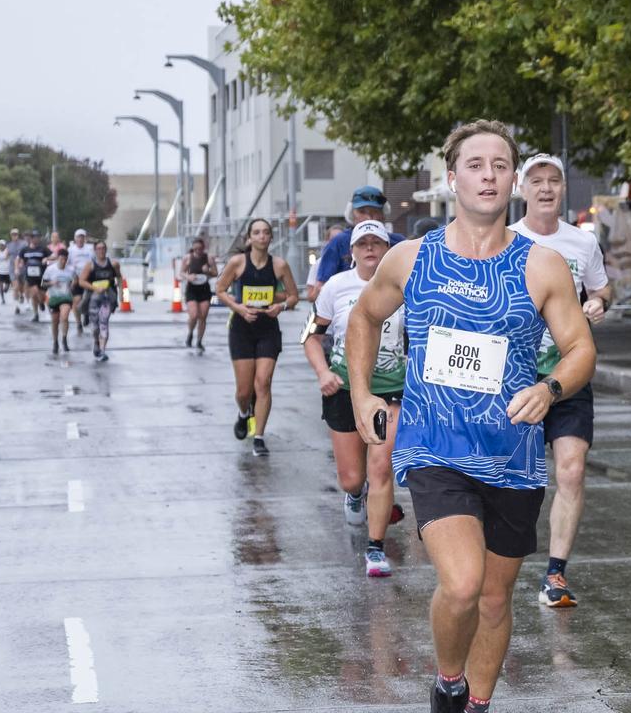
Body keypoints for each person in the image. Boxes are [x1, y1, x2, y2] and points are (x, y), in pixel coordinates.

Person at [345, 120, 595, 713]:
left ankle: (476, 703)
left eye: (499, 165)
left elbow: (581, 348)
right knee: (461, 585)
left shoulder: (542, 266)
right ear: (451, 176)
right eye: (475, 165)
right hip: (434, 448)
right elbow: (362, 319)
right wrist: (362, 395)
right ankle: (448, 684)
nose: (488, 175)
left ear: (513, 179)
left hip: (511, 456)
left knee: (494, 598)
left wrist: (551, 387)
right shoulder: (411, 258)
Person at [510, 152, 613, 608]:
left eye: (554, 180)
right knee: (515, 479)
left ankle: (556, 576)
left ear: (562, 188)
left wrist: (598, 303)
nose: (546, 188)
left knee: (571, 469)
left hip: (568, 373)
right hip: (513, 377)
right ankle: (500, 562)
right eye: (537, 181)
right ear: (522, 188)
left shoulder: (582, 243)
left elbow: (602, 286)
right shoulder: (507, 240)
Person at [305, 220, 407, 577]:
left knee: (381, 467)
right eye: (362, 243)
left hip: (391, 388)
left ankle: (375, 549)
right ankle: (353, 494)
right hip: (346, 388)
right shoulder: (336, 287)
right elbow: (311, 337)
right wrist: (323, 373)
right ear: (351, 251)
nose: (369, 249)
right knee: (353, 478)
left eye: (376, 243)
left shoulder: (403, 284)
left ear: (386, 248)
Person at [213, 218, 300, 457]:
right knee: (244, 391)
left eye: (266, 233)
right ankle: (244, 414)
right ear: (249, 238)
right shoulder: (238, 263)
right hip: (241, 329)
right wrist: (239, 308)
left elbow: (294, 296)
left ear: (271, 238)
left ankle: (259, 437)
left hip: (268, 330)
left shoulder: (279, 265)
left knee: (263, 383)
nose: (262, 236)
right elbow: (220, 290)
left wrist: (279, 307)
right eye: (257, 232)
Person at [313, 186, 406, 286]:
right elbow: (321, 286)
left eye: (375, 211)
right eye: (362, 212)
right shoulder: (338, 242)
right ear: (351, 214)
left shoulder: (399, 243)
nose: (369, 217)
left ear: (383, 214)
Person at [78, 240, 122, 362]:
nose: (101, 251)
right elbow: (81, 281)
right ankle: (96, 342)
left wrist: (122, 294)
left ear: (106, 249)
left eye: (103, 248)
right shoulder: (90, 265)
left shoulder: (113, 264)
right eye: (98, 249)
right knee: (95, 326)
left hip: (107, 298)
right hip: (93, 299)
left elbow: (119, 277)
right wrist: (95, 288)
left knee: (104, 322)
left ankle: (102, 350)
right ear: (95, 250)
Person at [181, 238, 219, 350]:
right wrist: (188, 276)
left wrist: (208, 271)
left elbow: (216, 273)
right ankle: (190, 333)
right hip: (192, 289)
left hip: (204, 289)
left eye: (200, 248)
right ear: (193, 248)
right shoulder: (188, 258)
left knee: (203, 316)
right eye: (196, 248)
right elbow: (181, 272)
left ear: (204, 248)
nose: (198, 250)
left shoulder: (209, 258)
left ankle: (199, 341)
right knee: (193, 315)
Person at [41, 249, 77, 354]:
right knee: (55, 321)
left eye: (65, 259)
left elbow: (76, 279)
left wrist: (73, 284)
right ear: (58, 258)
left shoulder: (70, 269)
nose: (63, 261)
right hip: (54, 298)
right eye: (61, 259)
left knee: (64, 316)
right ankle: (55, 342)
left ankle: (64, 339)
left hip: (66, 297)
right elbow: (43, 284)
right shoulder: (50, 269)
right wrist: (51, 283)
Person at [305, 224, 346, 303]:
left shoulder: (352, 263)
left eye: (340, 240)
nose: (336, 244)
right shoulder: (318, 264)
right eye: (333, 240)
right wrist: (318, 289)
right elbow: (310, 297)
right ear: (327, 242)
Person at [18, 231, 52, 323]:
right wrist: (19, 265)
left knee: (41, 295)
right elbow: (19, 259)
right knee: (34, 293)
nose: (36, 239)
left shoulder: (43, 249)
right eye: (34, 237)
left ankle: (41, 302)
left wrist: (47, 259)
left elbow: (53, 256)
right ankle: (36, 314)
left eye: (38, 237)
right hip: (30, 276)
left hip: (42, 275)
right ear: (31, 238)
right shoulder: (25, 250)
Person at [67, 230, 95, 333]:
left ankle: (86, 314)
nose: (80, 239)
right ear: (75, 238)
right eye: (78, 237)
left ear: (85, 238)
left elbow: (94, 262)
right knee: (76, 301)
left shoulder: (90, 249)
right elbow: (67, 264)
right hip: (76, 278)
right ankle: (78, 323)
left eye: (82, 237)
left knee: (88, 299)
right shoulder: (70, 250)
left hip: (88, 278)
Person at [5, 229, 27, 313]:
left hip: (22, 267)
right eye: (13, 234)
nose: (14, 236)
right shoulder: (9, 244)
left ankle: (21, 295)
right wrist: (6, 256)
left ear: (18, 235)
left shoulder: (24, 243)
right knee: (15, 287)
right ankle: (16, 306)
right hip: (12, 269)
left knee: (22, 287)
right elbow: (6, 255)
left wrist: (22, 262)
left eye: (16, 234)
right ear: (11, 235)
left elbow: (26, 253)